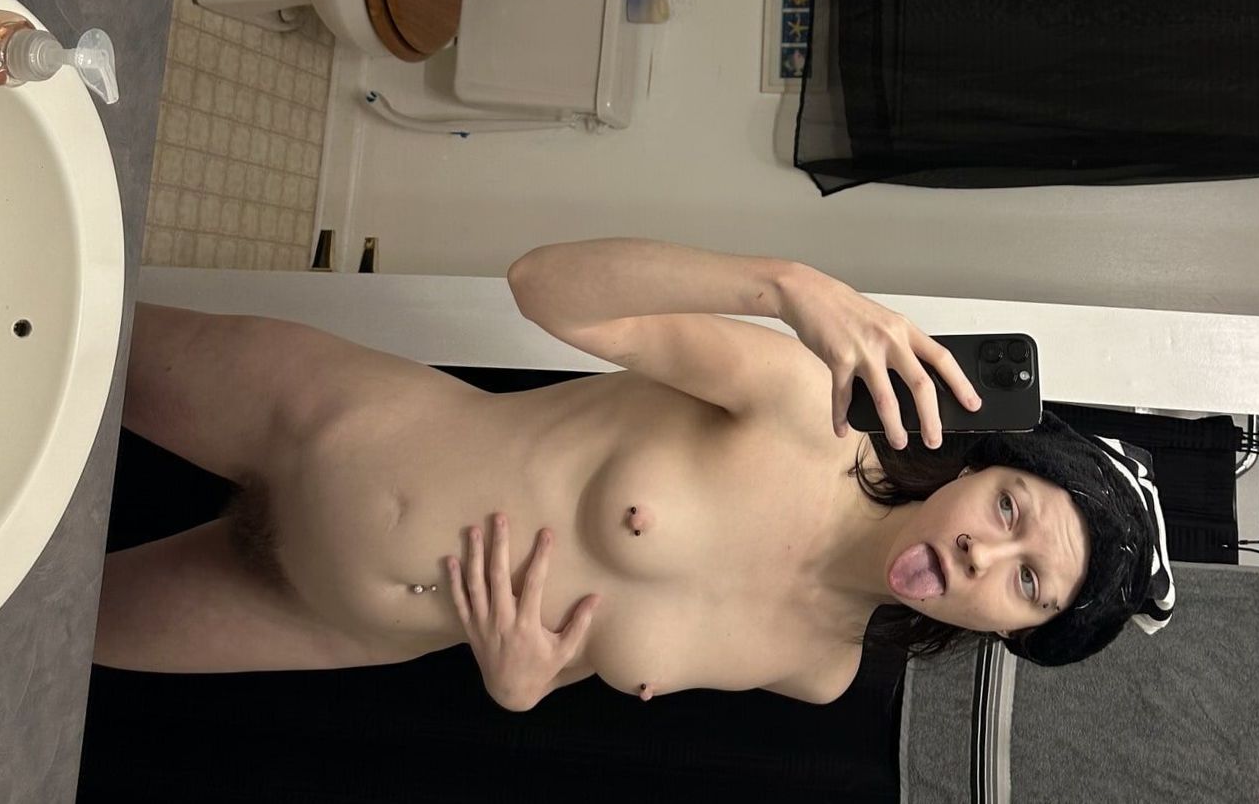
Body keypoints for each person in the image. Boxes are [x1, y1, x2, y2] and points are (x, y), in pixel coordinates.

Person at [96, 238, 1174, 708]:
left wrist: (525, 685)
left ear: (1011, 633)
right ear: (981, 468)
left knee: (37, 629)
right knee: (32, 339)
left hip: (334, 623)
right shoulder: (805, 411)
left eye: (1027, 582)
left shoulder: (816, 671)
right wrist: (782, 285)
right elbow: (546, 287)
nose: (987, 552)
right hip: (323, 427)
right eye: (1011, 507)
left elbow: (592, 624)